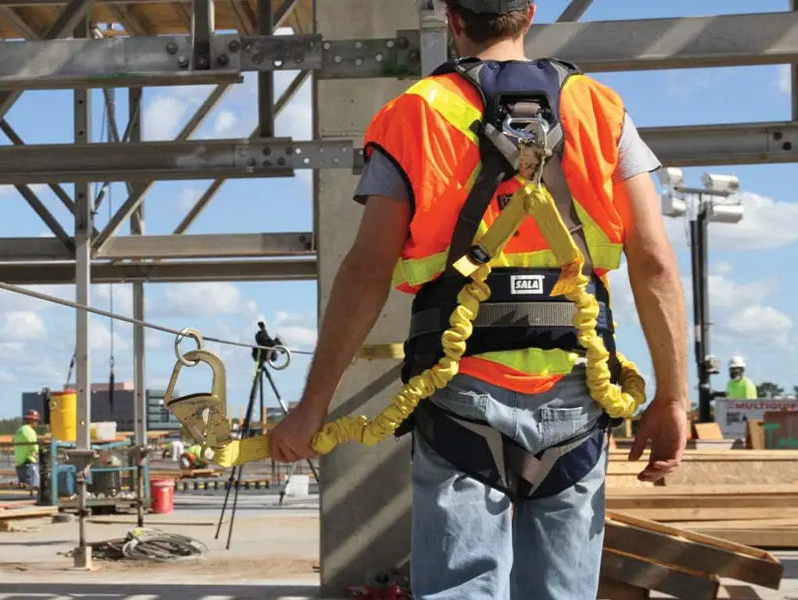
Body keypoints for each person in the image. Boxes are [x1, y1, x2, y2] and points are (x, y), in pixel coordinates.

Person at [269, 1, 689, 598]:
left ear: (450, 16)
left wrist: (314, 405)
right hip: (577, 384)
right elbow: (656, 262)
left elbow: (366, 271)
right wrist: (673, 397)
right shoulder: (599, 108)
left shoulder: (415, 113)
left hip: (459, 387)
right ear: (530, 13)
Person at [14, 409, 40, 494]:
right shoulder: (29, 431)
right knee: (33, 488)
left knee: (24, 489)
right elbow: (34, 447)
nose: (37, 423)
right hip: (28, 462)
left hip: (19, 462)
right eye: (36, 420)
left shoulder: (19, 430)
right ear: (30, 420)